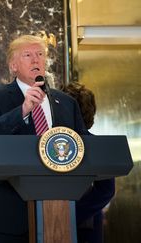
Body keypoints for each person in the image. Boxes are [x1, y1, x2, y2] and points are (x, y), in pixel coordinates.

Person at [0, 35, 88, 242]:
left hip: (59, 210)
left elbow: (83, 141)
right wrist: (23, 110)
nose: (36, 60)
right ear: (13, 66)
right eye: (28, 55)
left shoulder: (67, 102)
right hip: (9, 210)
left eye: (40, 55)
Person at [62, 82, 115, 243]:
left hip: (85, 224)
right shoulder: (50, 141)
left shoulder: (96, 146)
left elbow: (106, 190)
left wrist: (68, 215)